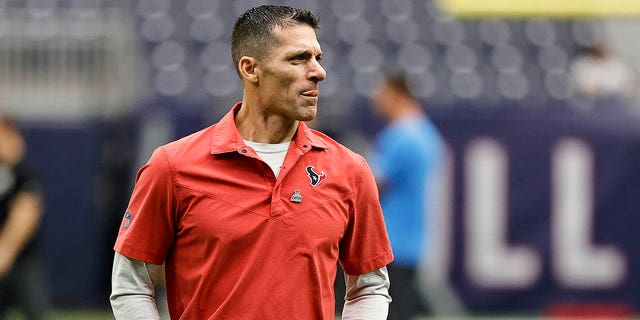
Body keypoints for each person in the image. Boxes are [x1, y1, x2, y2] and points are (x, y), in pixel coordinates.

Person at [110, 5, 394, 320]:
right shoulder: (172, 166)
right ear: (250, 69)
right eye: (297, 59)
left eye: (318, 58)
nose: (318, 72)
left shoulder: (350, 170)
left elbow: (369, 287)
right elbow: (132, 284)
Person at [368, 73, 444, 320]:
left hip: (391, 242)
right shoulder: (425, 132)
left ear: (397, 94)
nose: (377, 101)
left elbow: (371, 187)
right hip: (410, 241)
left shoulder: (401, 137)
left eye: (383, 94)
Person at [0, 114, 47, 320]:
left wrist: (5, 250)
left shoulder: (23, 172)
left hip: (23, 261)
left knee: (34, 311)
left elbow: (27, 210)